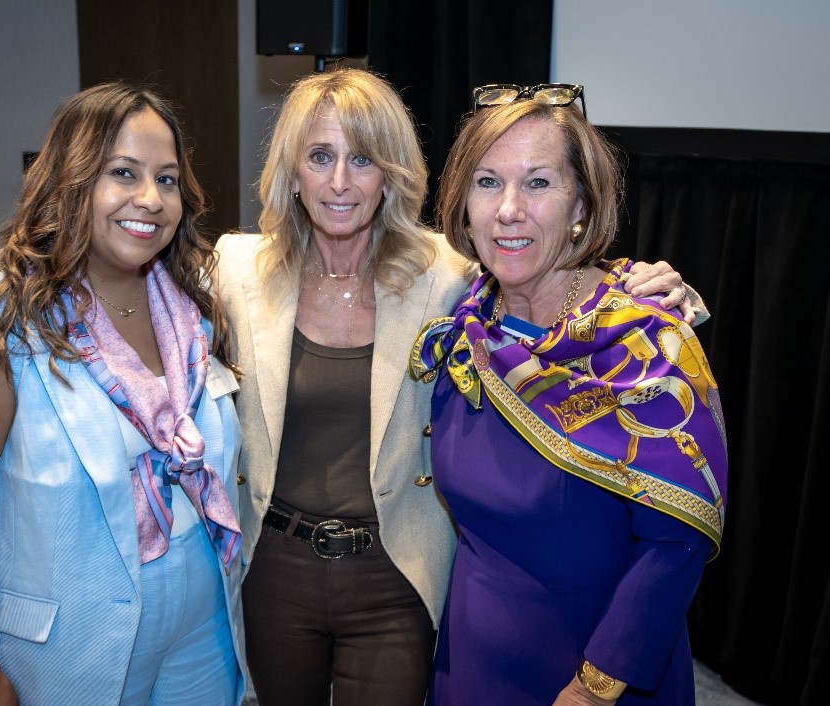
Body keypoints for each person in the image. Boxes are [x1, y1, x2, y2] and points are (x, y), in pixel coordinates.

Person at [215, 69, 696, 706]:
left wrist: (658, 288)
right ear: (291, 169)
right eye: (319, 156)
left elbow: (548, 268)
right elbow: (140, 289)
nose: (338, 182)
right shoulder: (233, 270)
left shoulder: (448, 278)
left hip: (400, 573)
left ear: (391, 172)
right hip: (284, 570)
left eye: (362, 158)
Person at [0, 82, 246, 705]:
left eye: (167, 179)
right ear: (70, 180)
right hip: (66, 644)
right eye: (124, 172)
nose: (151, 198)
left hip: (203, 625)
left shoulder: (189, 301)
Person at [410, 83, 728, 705]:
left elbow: (677, 542)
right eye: (486, 181)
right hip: (472, 661)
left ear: (581, 200)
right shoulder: (465, 327)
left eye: (538, 183)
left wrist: (593, 688)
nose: (507, 210)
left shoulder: (644, 339)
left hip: (603, 671)